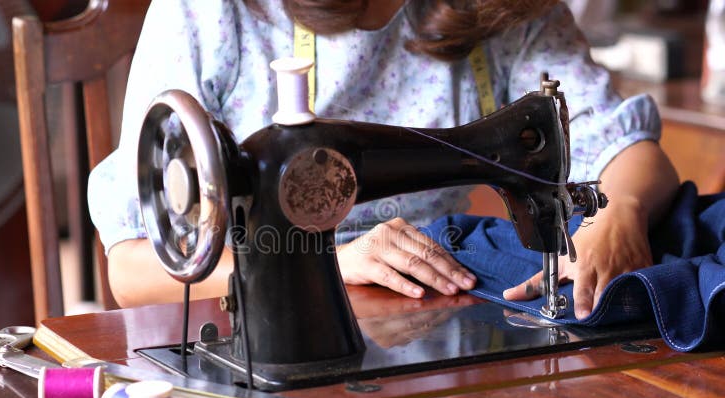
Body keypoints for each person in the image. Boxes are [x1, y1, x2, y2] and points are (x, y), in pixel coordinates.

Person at [88, 0, 679, 320]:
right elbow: (135, 270)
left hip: (425, 311)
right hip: (268, 321)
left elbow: (626, 148)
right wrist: (323, 265)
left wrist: (619, 211)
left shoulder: (495, 11)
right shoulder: (215, 13)